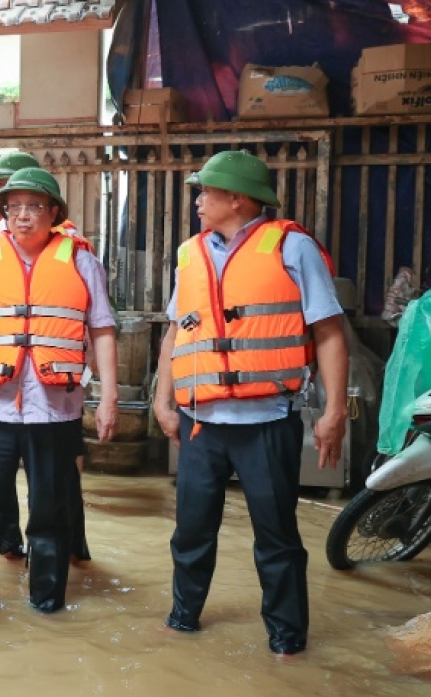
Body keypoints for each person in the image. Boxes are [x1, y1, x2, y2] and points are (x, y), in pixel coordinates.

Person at [152, 150, 347, 656]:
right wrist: (163, 398)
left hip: (267, 421)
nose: (197, 201)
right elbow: (177, 332)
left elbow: (327, 331)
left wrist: (334, 412)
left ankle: (286, 641)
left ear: (237, 199)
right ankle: (182, 619)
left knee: (276, 537)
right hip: (201, 423)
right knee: (190, 532)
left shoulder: (292, 247)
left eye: (206, 192)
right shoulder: (189, 253)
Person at [0, 167, 118, 613]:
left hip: (54, 411)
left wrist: (109, 396)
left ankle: (46, 602)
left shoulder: (80, 261)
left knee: (49, 508)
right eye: (13, 206)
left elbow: (103, 330)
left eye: (33, 206)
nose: (22, 216)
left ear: (54, 213)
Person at [0, 151, 94, 563]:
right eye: (2, 191)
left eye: (17, 189)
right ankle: (9, 545)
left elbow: (82, 317)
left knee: (56, 487)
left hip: (53, 391)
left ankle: (67, 549)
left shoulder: (69, 245)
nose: (12, 201)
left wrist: (82, 380)